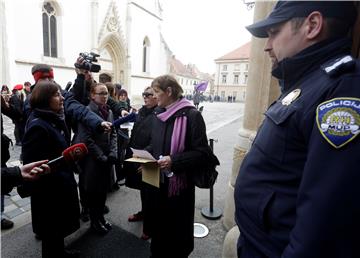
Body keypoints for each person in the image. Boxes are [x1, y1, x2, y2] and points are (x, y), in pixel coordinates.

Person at [234, 2, 360, 258]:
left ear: (312, 25)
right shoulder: (308, 82)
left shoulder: (341, 89)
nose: (267, 46)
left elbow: (325, 223)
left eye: (274, 32)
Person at [146, 75, 213, 257]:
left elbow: (203, 154)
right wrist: (144, 159)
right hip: (159, 182)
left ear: (169, 91)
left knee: (177, 231)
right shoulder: (159, 113)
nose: (154, 96)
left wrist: (174, 161)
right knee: (160, 228)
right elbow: (155, 145)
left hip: (180, 187)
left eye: (157, 92)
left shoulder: (192, 115)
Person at [22, 80, 80, 258]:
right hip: (49, 192)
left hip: (60, 185)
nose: (62, 98)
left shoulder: (53, 118)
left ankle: (60, 252)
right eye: (56, 95)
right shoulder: (38, 126)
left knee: (58, 230)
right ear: (45, 99)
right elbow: (34, 165)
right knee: (51, 232)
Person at [74, 82, 117, 235]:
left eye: (106, 93)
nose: (105, 96)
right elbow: (86, 139)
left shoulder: (109, 111)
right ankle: (94, 222)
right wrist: (101, 156)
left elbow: (113, 133)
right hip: (92, 160)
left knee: (103, 191)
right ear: (92, 95)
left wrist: (112, 153)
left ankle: (100, 218)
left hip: (106, 158)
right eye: (101, 93)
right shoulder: (87, 112)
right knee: (93, 192)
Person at [124, 86, 157, 240]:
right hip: (137, 155)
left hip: (150, 159)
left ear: (157, 96)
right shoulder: (142, 111)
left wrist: (146, 160)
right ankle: (144, 213)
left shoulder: (161, 113)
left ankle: (150, 228)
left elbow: (158, 141)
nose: (145, 97)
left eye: (148, 95)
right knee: (144, 191)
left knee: (151, 194)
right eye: (143, 94)